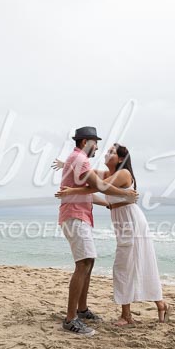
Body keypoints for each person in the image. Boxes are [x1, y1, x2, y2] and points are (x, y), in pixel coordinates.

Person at [56, 143, 170, 326]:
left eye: (112, 152)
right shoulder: (107, 174)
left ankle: (127, 315)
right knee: (135, 264)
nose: (107, 153)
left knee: (123, 267)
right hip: (123, 223)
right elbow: (88, 175)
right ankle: (160, 304)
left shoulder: (123, 173)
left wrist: (73, 191)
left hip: (131, 223)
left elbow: (99, 187)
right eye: (108, 151)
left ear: (120, 159)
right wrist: (67, 165)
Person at [57, 127, 139, 336]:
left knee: (89, 262)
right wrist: (125, 194)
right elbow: (100, 186)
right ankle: (70, 319)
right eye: (96, 143)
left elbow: (91, 191)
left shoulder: (78, 159)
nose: (98, 148)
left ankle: (82, 310)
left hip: (79, 215)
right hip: (75, 215)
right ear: (86, 142)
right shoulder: (80, 159)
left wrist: (110, 204)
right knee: (83, 263)